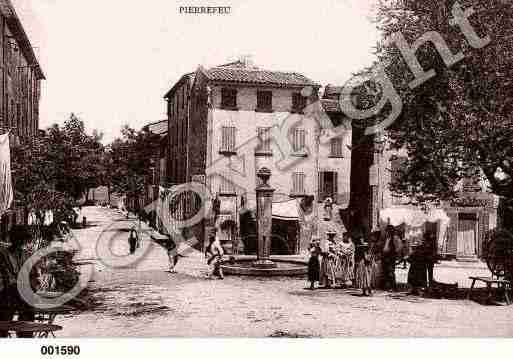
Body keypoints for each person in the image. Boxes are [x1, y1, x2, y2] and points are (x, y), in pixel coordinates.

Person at [382, 225, 397, 291]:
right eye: (386, 231)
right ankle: (388, 286)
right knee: (386, 272)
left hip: (390, 258)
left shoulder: (394, 238)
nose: (386, 232)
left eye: (387, 231)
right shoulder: (386, 239)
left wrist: (392, 255)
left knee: (391, 272)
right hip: (385, 257)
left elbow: (397, 248)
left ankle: (393, 287)